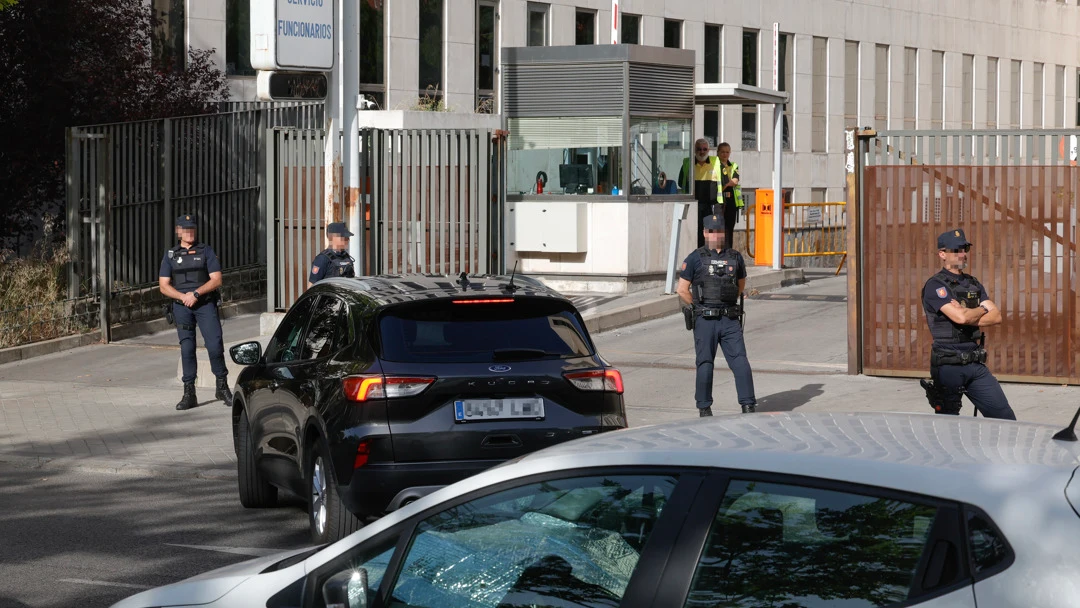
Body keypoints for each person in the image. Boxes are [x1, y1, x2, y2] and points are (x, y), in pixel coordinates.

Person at [920, 228, 1016, 420]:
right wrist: (981, 310)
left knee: (1005, 418)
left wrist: (969, 312)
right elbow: (961, 318)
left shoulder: (973, 283)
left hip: (975, 364)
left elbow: (996, 316)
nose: (962, 254)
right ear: (942, 254)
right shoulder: (936, 286)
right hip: (948, 365)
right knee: (948, 423)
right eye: (956, 250)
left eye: (964, 249)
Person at [676, 213, 757, 416]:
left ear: (724, 232)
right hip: (705, 319)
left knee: (740, 361)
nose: (715, 234)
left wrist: (725, 301)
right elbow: (682, 289)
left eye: (719, 231)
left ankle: (748, 405)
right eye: (711, 231)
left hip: (729, 320)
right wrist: (699, 306)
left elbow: (740, 285)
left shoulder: (735, 257)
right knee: (705, 363)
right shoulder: (695, 258)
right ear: (704, 233)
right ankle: (704, 408)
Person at [158, 214, 231, 411]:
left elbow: (216, 279)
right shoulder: (171, 254)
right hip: (182, 307)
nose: (190, 232)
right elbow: (163, 286)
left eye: (193, 229)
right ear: (178, 231)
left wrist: (196, 293)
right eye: (186, 229)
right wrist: (183, 297)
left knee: (215, 344)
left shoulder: (205, 250)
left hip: (204, 304)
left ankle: (221, 386)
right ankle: (189, 392)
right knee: (187, 349)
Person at [678, 139, 722, 248]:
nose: (702, 152)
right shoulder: (687, 163)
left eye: (704, 149)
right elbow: (680, 182)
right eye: (699, 149)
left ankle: (707, 256)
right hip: (693, 205)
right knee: (694, 232)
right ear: (694, 150)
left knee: (710, 234)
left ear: (709, 150)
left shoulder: (716, 162)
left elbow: (723, 183)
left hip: (710, 206)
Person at [308, 222, 356, 288]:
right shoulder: (322, 259)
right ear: (335, 238)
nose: (348, 239)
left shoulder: (346, 257)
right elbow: (311, 286)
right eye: (345, 237)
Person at [716, 142, 744, 249]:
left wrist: (726, 183)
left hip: (731, 201)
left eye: (727, 152)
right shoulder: (715, 165)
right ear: (718, 152)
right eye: (722, 152)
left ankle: (728, 252)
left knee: (729, 229)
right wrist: (728, 182)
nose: (725, 154)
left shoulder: (733, 165)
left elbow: (735, 181)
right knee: (718, 229)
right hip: (718, 201)